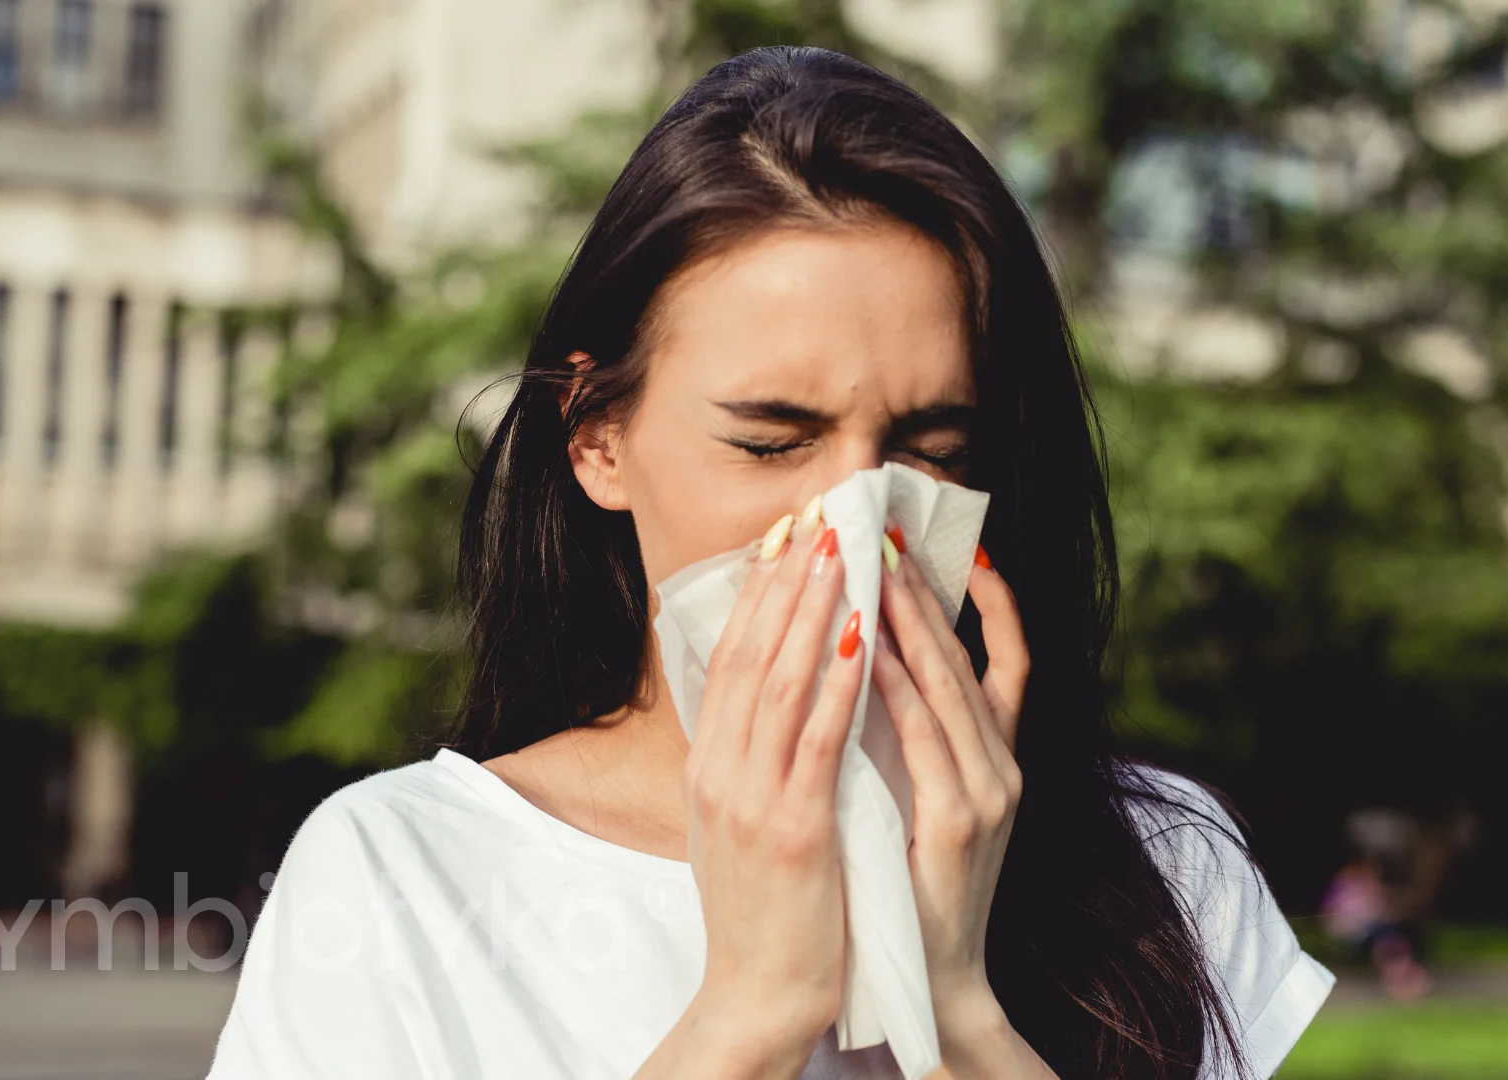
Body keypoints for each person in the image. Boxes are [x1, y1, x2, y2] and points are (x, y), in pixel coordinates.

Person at [205, 46, 1332, 1080]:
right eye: (769, 443)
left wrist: (956, 1011)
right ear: (599, 438)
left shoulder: (1157, 863)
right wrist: (747, 1015)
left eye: (930, 450)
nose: (855, 520)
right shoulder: (402, 877)